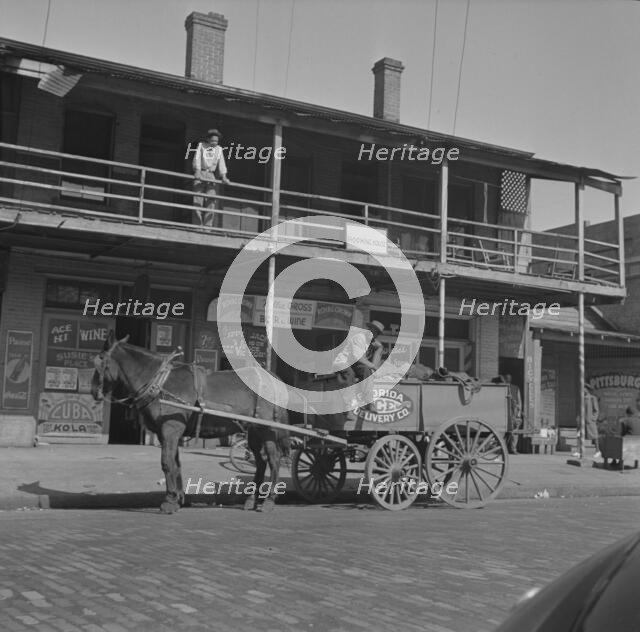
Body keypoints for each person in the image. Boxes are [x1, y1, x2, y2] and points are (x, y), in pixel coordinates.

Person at [332, 320, 385, 413]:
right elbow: (359, 358)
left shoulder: (371, 343)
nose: (374, 334)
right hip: (342, 362)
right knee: (349, 374)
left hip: (354, 364)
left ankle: (369, 402)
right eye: (373, 331)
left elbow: (368, 364)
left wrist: (379, 348)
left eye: (377, 333)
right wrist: (374, 367)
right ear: (368, 329)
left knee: (366, 370)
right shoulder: (359, 338)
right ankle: (347, 406)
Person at [192, 128, 230, 227]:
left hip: (211, 175)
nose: (214, 143)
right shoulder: (201, 145)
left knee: (211, 200)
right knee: (198, 199)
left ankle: (208, 226)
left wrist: (224, 176)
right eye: (212, 140)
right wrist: (197, 170)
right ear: (208, 139)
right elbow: (197, 157)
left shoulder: (219, 149)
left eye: (216, 141)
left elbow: (221, 163)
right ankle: (197, 225)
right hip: (201, 172)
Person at [583, 384, 601, 456]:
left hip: (590, 420)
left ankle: (597, 451)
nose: (583, 390)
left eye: (584, 388)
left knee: (594, 435)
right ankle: (579, 451)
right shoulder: (582, 398)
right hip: (582, 420)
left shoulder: (592, 398)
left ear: (587, 389)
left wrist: (593, 418)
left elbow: (596, 410)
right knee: (580, 435)